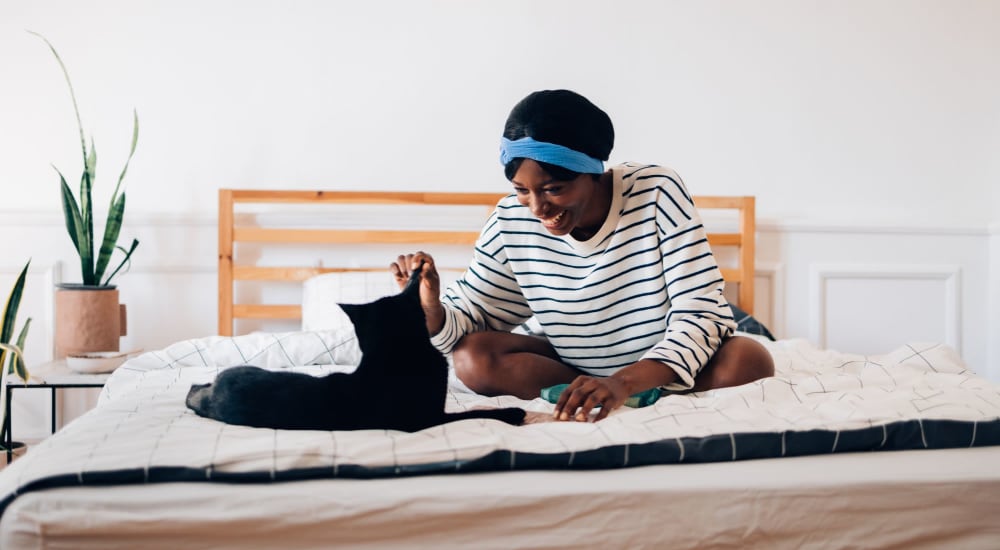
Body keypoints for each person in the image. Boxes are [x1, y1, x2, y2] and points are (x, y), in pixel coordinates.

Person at [390, 89, 774, 423]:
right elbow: (475, 315)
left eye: (554, 188)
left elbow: (701, 312)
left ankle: (636, 390)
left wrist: (623, 381)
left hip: (658, 366)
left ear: (592, 171)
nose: (537, 207)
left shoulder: (656, 191)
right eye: (522, 190)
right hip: (572, 366)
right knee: (473, 358)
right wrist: (432, 307)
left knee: (749, 359)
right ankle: (587, 391)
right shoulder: (511, 219)